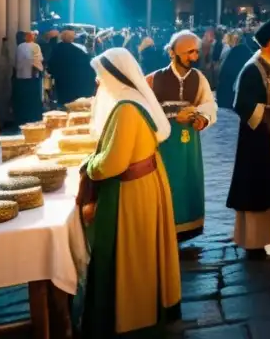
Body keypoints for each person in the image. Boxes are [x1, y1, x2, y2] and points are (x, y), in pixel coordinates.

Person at [81, 48, 181, 338]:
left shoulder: (126, 107)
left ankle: (132, 316)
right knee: (144, 252)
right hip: (147, 181)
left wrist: (91, 166)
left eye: (101, 75)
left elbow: (112, 164)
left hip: (131, 191)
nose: (99, 82)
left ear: (115, 75)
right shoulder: (136, 99)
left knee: (133, 254)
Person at [146, 31, 217, 242]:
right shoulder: (153, 79)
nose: (194, 57)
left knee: (188, 179)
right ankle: (163, 227)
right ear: (172, 53)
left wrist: (202, 118)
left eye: (195, 51)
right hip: (163, 142)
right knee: (167, 181)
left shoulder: (199, 78)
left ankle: (186, 228)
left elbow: (209, 104)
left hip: (188, 141)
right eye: (188, 52)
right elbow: (142, 107)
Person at [227, 19, 270, 258]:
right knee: (257, 189)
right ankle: (254, 241)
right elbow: (241, 104)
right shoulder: (253, 68)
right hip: (257, 142)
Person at [47, 29, 95, 105]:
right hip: (75, 82)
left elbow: (51, 64)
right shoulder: (79, 51)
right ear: (73, 38)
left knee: (63, 101)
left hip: (61, 81)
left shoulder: (56, 49)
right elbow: (87, 67)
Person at [12, 30, 44, 125]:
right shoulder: (35, 46)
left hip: (21, 77)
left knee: (23, 99)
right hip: (32, 77)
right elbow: (37, 60)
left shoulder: (19, 47)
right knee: (32, 99)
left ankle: (22, 118)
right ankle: (33, 118)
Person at [218, 33, 254, 110]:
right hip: (235, 100)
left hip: (224, 97)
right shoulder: (247, 53)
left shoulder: (233, 51)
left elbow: (222, 73)